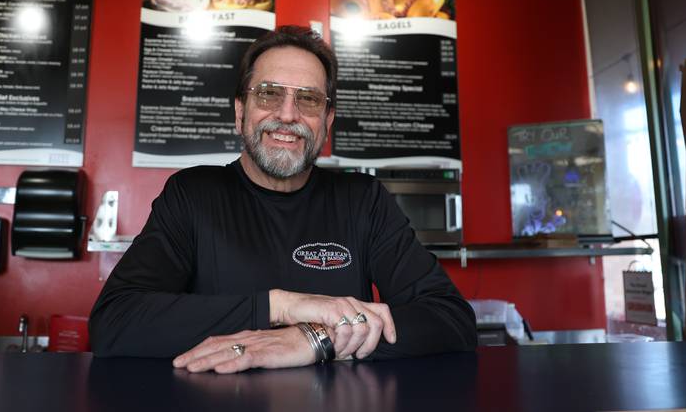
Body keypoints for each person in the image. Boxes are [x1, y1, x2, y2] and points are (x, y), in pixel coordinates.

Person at [89, 25, 476, 372]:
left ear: (327, 122)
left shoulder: (363, 200)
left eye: (308, 100)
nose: (287, 115)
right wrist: (280, 306)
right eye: (269, 94)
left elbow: (451, 320)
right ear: (240, 111)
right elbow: (114, 322)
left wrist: (313, 339)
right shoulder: (192, 195)